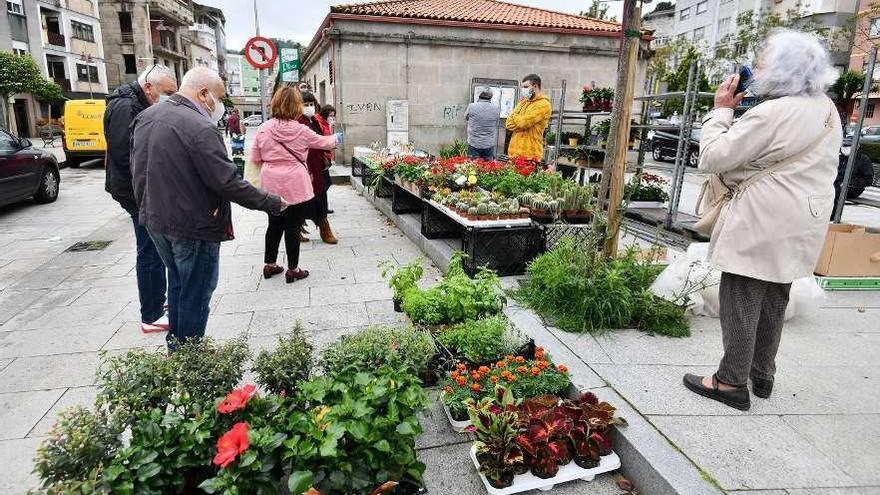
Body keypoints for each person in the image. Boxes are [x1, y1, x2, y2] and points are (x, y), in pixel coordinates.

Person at [683, 29, 842, 411]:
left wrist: (722, 110)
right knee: (775, 292)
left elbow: (715, 156)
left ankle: (730, 381)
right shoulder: (827, 109)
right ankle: (763, 373)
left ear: (783, 69)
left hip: (764, 216)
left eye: (762, 62)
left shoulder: (774, 111)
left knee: (740, 292)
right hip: (805, 217)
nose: (755, 68)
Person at [130, 67, 289, 351]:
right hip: (192, 225)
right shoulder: (199, 127)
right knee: (196, 291)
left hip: (155, 218)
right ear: (204, 94)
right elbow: (226, 182)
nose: (221, 106)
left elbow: (136, 169)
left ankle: (176, 347)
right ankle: (190, 357)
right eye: (220, 98)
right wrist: (272, 203)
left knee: (178, 282)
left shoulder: (147, 116)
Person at [103, 64, 177, 334]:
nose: (169, 97)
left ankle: (157, 300)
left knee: (154, 248)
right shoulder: (125, 107)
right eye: (167, 92)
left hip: (138, 187)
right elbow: (126, 156)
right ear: (149, 87)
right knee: (150, 249)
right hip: (134, 190)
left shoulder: (136, 102)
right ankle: (151, 313)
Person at [251, 87, 340, 283]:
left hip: (271, 183)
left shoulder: (263, 129)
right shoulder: (301, 130)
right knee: (293, 226)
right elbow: (324, 143)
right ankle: (293, 269)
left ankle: (270, 265)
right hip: (295, 183)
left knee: (273, 225)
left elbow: (256, 158)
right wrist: (336, 137)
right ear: (296, 106)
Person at [298, 91, 337, 244]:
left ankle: (323, 226)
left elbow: (321, 140)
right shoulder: (298, 121)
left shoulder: (314, 120)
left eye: (311, 104)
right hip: (305, 166)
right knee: (302, 200)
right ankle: (299, 228)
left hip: (318, 164)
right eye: (305, 104)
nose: (309, 107)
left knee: (320, 196)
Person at [505, 74, 552, 160]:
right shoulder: (524, 102)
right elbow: (508, 124)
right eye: (523, 87)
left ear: (535, 86)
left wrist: (514, 116)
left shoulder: (544, 104)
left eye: (526, 87)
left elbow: (523, 123)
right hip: (514, 154)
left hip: (530, 155)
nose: (523, 90)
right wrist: (519, 120)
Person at [465, 89, 500, 160]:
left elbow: (466, 117)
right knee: (488, 168)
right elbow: (496, 120)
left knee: (473, 167)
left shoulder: (472, 106)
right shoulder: (496, 108)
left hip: (474, 143)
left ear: (479, 97)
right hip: (489, 144)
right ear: (490, 98)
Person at [319, 104, 338, 214]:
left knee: (325, 184)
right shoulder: (320, 124)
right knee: (325, 183)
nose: (332, 117)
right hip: (322, 157)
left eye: (333, 116)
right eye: (330, 115)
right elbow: (322, 140)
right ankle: (320, 207)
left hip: (327, 156)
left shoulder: (326, 124)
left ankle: (323, 207)